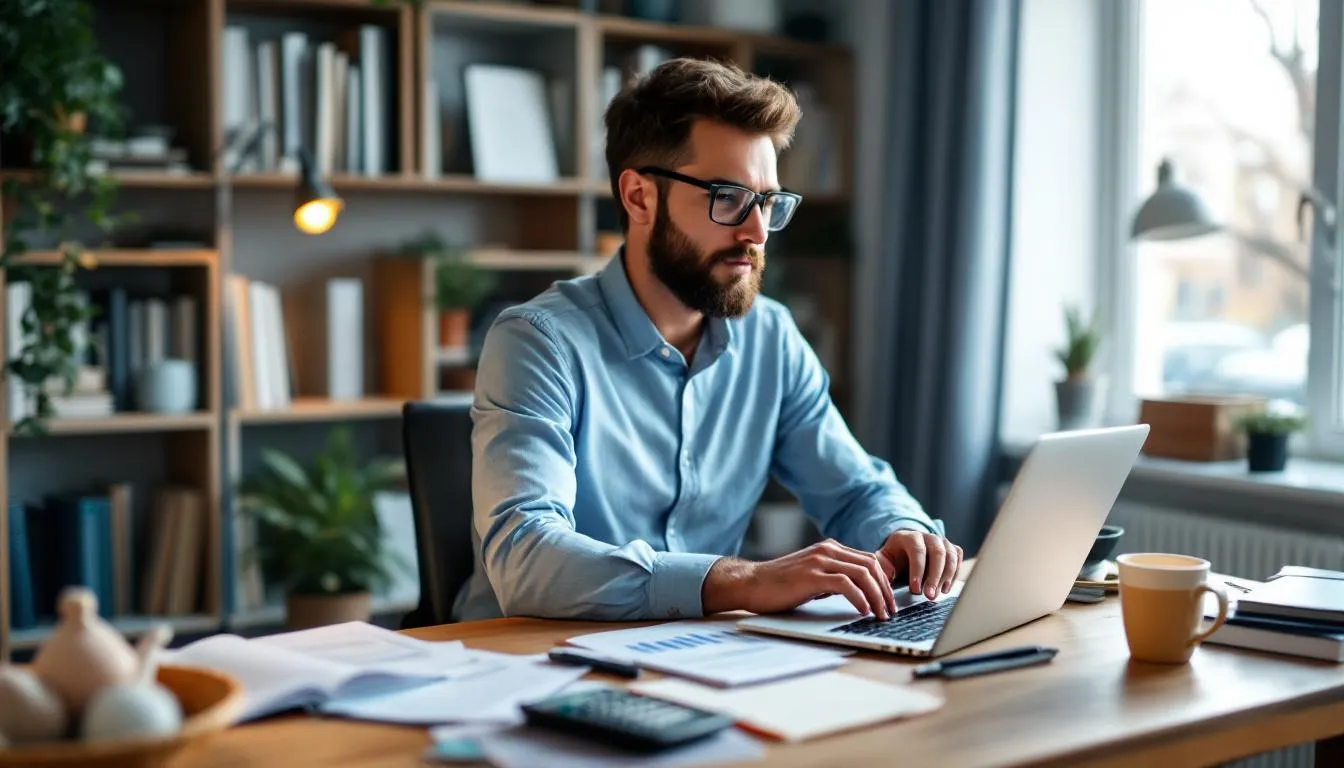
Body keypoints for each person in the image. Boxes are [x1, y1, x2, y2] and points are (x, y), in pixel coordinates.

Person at [455, 57, 962, 622]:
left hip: (700, 653)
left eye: (767, 202)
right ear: (639, 197)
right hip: (526, 654)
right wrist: (744, 580)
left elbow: (854, 490)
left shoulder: (770, 337)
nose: (757, 232)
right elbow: (525, 559)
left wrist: (903, 531)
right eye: (728, 197)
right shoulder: (538, 342)